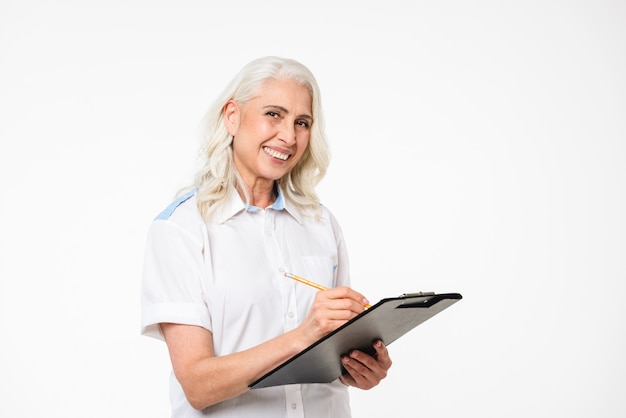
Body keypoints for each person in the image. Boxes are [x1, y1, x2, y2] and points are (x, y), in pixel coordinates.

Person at [141, 56, 392, 417]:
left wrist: (358, 369)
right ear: (232, 116)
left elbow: (332, 352)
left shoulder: (321, 224)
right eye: (273, 114)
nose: (289, 137)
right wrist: (304, 336)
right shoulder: (180, 229)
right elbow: (197, 385)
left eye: (302, 122)